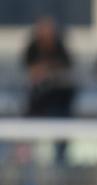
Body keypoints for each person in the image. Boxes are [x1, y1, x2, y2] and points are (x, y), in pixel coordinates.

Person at [22, 16, 76, 162]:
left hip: (59, 104)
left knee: (60, 148)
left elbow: (66, 66)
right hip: (37, 104)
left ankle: (60, 174)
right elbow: (27, 68)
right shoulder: (32, 48)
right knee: (27, 143)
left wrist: (47, 69)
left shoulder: (60, 48)